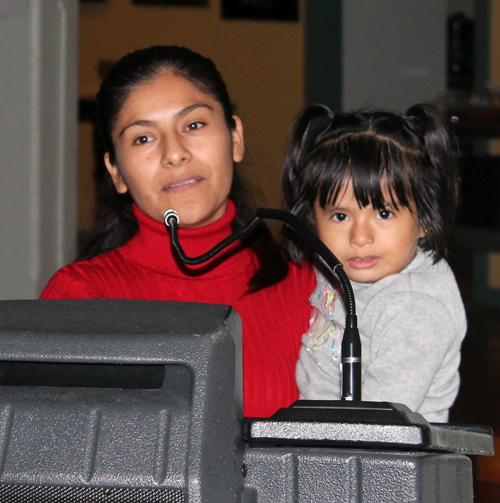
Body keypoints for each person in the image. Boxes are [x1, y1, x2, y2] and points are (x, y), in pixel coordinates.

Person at [40, 45, 316, 418]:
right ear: (116, 171)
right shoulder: (79, 298)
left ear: (235, 137)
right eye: (143, 138)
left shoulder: (313, 289)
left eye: (194, 125)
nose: (174, 153)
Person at [281, 103, 466, 422]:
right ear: (313, 222)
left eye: (384, 213)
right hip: (325, 439)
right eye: (340, 216)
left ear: (425, 219)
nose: (360, 236)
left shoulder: (415, 308)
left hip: (385, 459)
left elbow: (378, 423)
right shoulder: (337, 264)